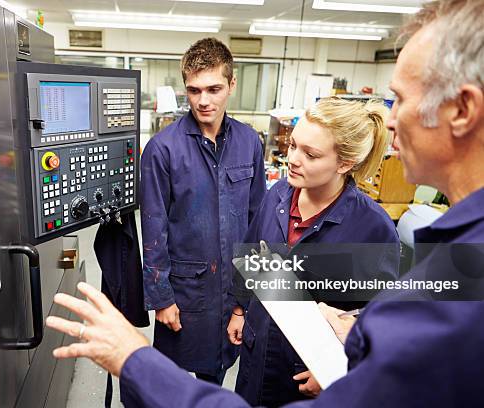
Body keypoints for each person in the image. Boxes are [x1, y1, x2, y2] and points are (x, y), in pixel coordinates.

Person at [46, 0, 484, 406]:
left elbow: (361, 304)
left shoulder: (410, 248)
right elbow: (286, 279)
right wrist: (328, 330)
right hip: (250, 344)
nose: (389, 119)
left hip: (294, 368)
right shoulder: (280, 201)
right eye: (292, 147)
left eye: (402, 99)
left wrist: (134, 358)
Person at [229, 97, 400, 407]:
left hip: (307, 375)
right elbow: (252, 255)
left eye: (310, 154)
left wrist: (339, 368)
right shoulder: (278, 195)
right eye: (294, 146)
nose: (294, 159)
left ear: (345, 163)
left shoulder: (374, 229)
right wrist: (240, 309)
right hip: (257, 355)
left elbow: (380, 322)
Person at [140, 37, 266, 384]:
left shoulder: (249, 142)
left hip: (232, 292)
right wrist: (162, 299)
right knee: (170, 382)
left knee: (215, 377)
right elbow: (153, 229)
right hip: (186, 292)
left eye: (214, 89)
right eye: (194, 90)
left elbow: (258, 225)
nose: (203, 101)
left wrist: (244, 304)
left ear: (232, 84)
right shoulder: (161, 150)